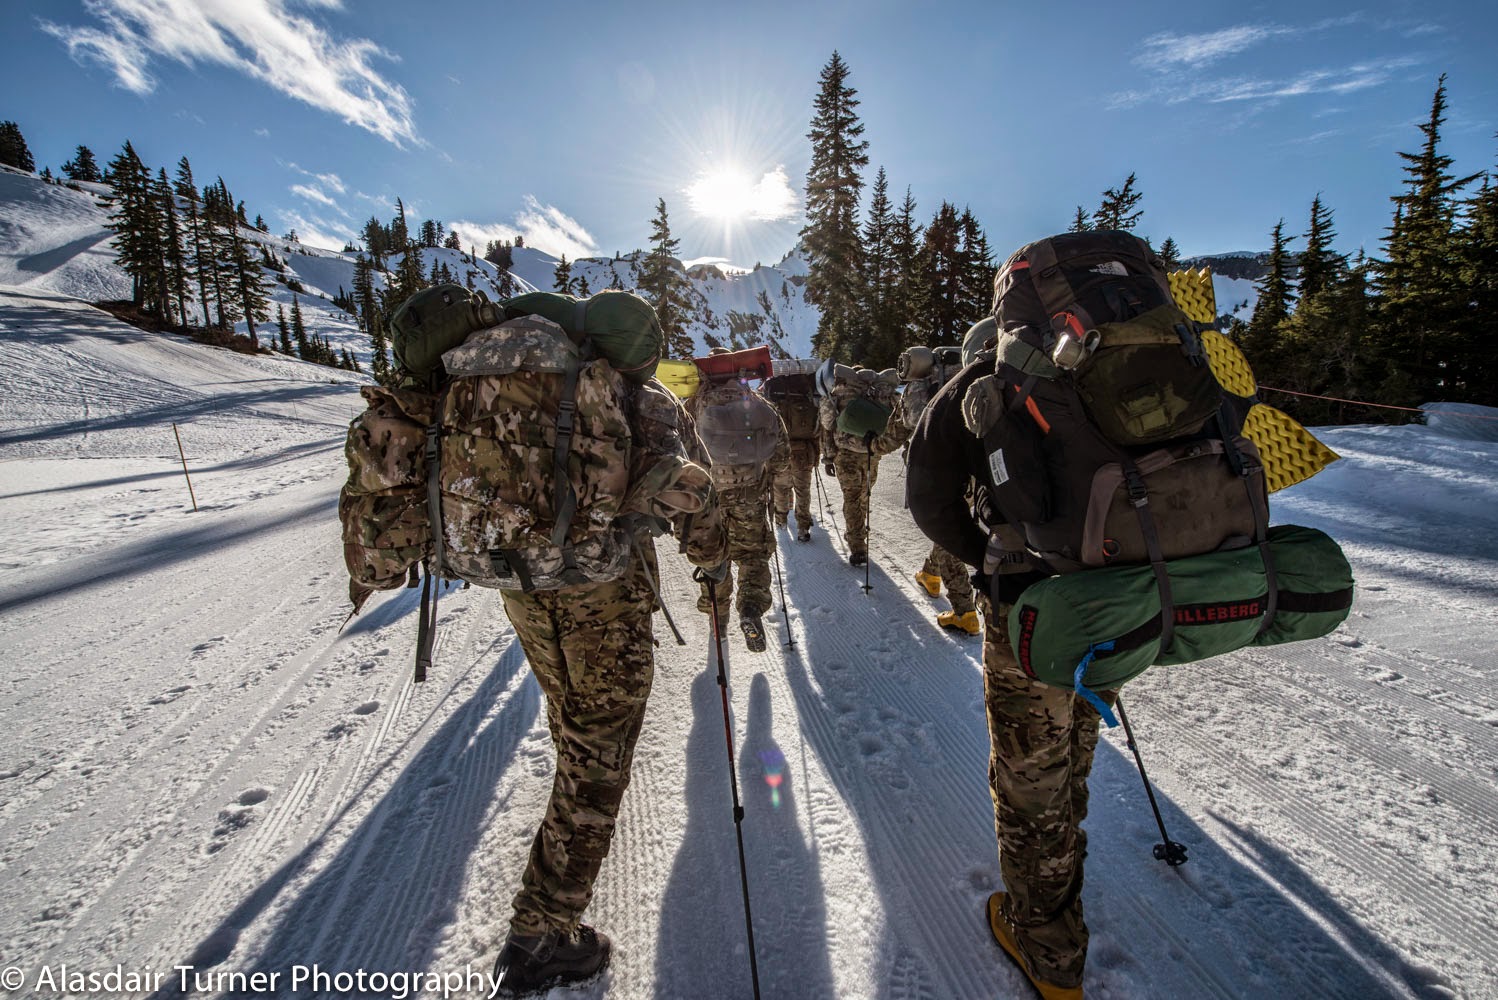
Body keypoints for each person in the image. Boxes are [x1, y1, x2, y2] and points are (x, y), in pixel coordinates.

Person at [492, 375, 729, 996]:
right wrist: (711, 560)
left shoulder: (510, 387)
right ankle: (540, 935)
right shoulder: (638, 395)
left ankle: (570, 835)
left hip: (523, 588)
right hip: (605, 592)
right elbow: (693, 490)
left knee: (575, 720)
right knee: (601, 750)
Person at [906, 306, 1111, 999]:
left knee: (1028, 775)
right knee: (1077, 729)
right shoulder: (1096, 371)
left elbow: (930, 501)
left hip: (1028, 607)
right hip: (1118, 592)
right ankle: (1064, 854)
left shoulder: (976, 385)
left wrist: (986, 565)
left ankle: (1048, 950)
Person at [685, 349, 790, 651]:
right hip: (750, 498)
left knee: (714, 559)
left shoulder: (693, 405)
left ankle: (718, 619)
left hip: (708, 501)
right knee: (753, 555)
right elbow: (782, 458)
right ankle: (751, 608)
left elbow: (680, 453)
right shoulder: (759, 405)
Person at [899, 345, 979, 635]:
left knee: (949, 533)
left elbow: (906, 425)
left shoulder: (919, 390)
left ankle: (965, 612)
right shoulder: (970, 379)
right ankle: (930, 575)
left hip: (938, 476)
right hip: (974, 471)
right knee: (951, 527)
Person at [817, 364, 907, 567]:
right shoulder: (882, 392)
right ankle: (858, 533)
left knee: (851, 498)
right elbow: (897, 418)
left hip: (846, 454)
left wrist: (829, 456)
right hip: (872, 453)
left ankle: (857, 545)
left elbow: (828, 425)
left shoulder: (840, 392)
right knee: (864, 495)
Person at [762, 371, 821, 542]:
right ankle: (803, 527)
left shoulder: (773, 407)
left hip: (780, 453)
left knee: (780, 489)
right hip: (803, 454)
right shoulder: (808, 406)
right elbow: (815, 433)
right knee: (803, 491)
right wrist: (815, 458)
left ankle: (781, 520)